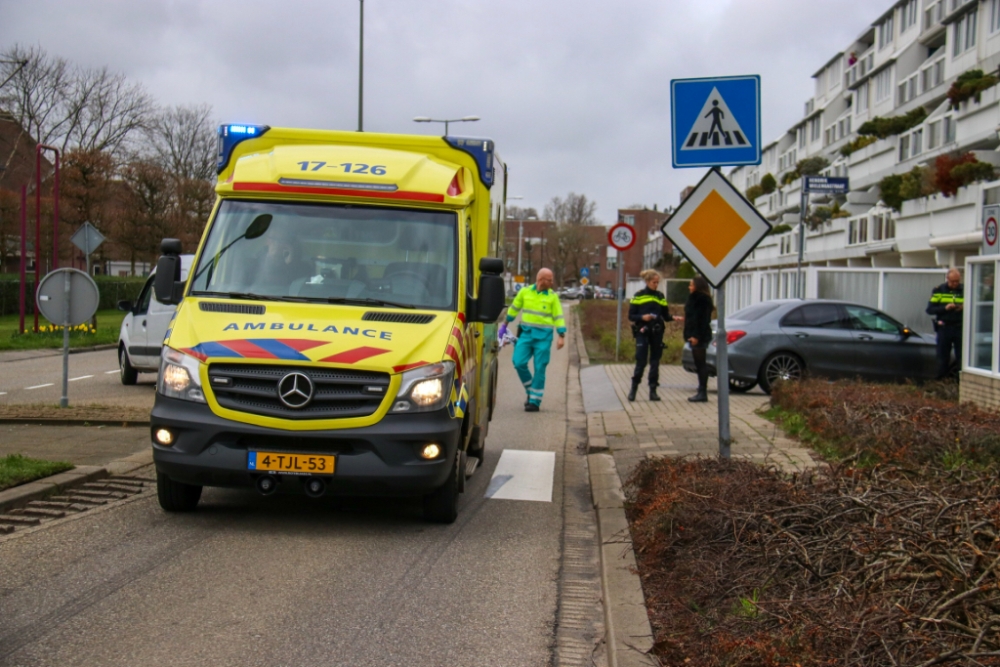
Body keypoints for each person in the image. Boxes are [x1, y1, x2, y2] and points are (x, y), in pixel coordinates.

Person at [505, 268, 566, 412]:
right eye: (549, 280)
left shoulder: (553, 297)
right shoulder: (525, 292)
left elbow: (559, 317)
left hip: (544, 338)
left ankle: (534, 402)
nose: (552, 283)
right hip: (526, 335)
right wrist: (504, 326)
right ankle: (531, 390)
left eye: (552, 280)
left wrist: (561, 336)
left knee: (540, 368)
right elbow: (514, 309)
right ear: (541, 280)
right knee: (518, 362)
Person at [627, 269, 681, 402]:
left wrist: (674, 317)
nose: (656, 285)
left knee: (655, 362)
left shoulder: (660, 296)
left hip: (657, 332)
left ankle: (653, 391)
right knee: (641, 361)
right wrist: (642, 317)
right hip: (643, 331)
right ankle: (633, 389)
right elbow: (631, 316)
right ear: (647, 282)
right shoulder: (638, 295)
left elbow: (665, 315)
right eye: (653, 282)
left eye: (657, 282)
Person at [926, 268, 964, 379]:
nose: (955, 284)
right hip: (944, 327)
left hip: (959, 327)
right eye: (953, 281)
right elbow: (930, 310)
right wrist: (945, 308)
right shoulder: (939, 290)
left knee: (961, 357)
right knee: (942, 358)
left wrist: (963, 307)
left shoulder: (964, 290)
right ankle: (941, 382)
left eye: (957, 281)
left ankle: (958, 382)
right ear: (947, 279)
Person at [684, 275, 714, 403]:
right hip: (695, 334)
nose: (689, 287)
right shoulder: (696, 298)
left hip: (699, 335)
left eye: (691, 284)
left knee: (701, 363)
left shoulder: (702, 300)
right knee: (699, 363)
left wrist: (696, 336)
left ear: (697, 286)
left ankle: (702, 391)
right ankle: (701, 390)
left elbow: (702, 320)